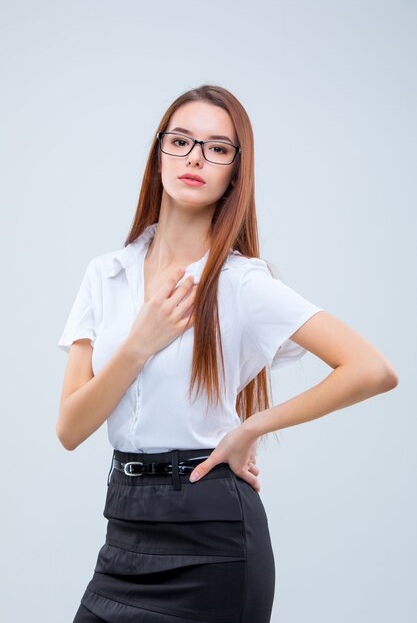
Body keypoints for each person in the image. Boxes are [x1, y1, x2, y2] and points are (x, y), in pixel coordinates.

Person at [56, 84, 399, 623]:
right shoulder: (107, 275)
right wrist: (137, 346)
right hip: (123, 525)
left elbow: (371, 369)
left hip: (211, 537)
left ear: (235, 173)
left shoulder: (240, 283)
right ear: (158, 153)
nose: (196, 156)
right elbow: (70, 429)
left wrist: (249, 428)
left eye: (218, 148)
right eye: (182, 140)